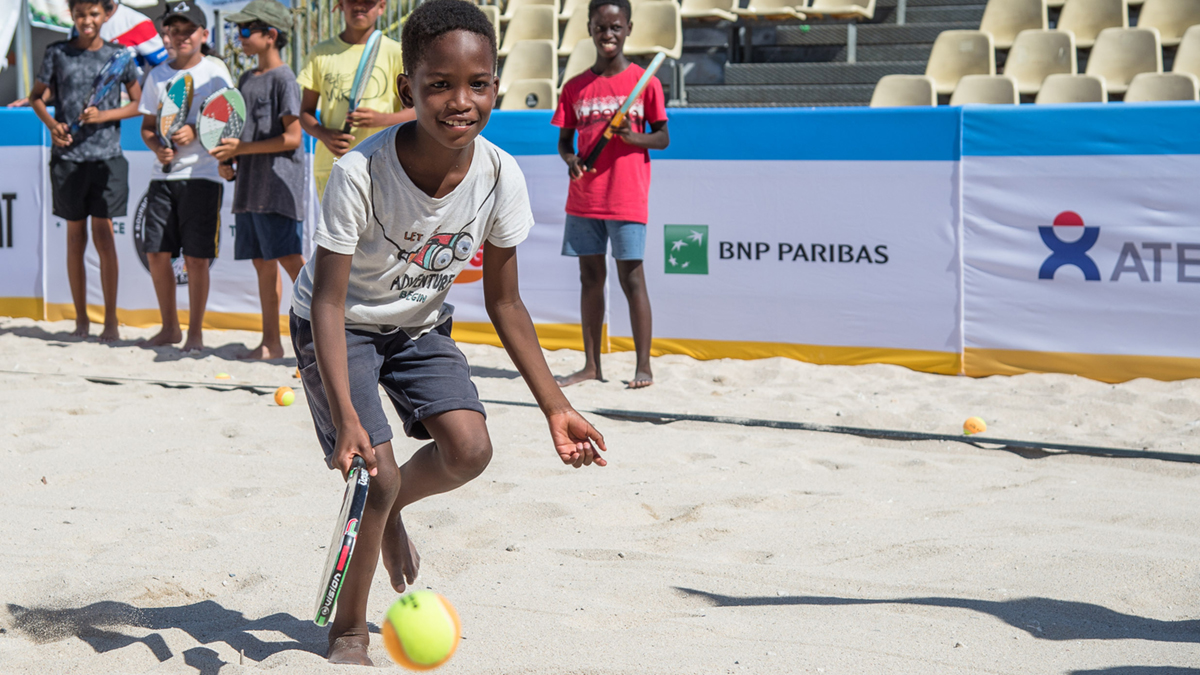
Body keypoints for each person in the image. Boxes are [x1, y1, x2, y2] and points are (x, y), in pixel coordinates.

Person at [288, 0, 607, 664]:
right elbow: (326, 300)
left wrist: (557, 406)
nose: (460, 101)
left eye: (478, 83)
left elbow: (507, 303)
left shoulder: (498, 175)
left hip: (417, 324)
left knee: (469, 450)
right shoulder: (359, 173)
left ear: (495, 83)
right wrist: (347, 415)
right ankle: (348, 629)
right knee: (371, 476)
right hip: (338, 323)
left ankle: (391, 502)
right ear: (409, 90)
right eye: (439, 85)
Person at [552, 0, 669, 390]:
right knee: (589, 278)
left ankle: (643, 367)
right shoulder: (574, 88)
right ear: (589, 29)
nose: (608, 35)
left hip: (626, 196)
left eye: (616, 27)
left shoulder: (645, 82)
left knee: (632, 278)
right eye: (601, 27)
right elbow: (564, 142)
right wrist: (570, 160)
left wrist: (631, 137)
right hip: (584, 197)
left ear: (629, 29)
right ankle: (591, 366)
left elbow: (663, 137)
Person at [29, 0, 143, 341]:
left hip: (107, 157)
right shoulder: (56, 52)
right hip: (68, 158)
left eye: (94, 13)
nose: (87, 20)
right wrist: (52, 125)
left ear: (106, 15)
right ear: (72, 16)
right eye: (80, 14)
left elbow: (138, 104)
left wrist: (103, 116)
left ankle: (110, 321)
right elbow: (37, 97)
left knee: (105, 238)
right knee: (74, 238)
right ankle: (81, 320)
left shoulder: (120, 56)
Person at [210, 0, 306, 361]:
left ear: (271, 35)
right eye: (239, 29)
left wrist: (243, 148)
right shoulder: (247, 79)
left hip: (278, 187)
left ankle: (336, 337)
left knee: (292, 262)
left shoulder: (285, 79)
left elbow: (293, 138)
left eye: (247, 30)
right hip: (249, 185)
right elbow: (239, 131)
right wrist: (229, 159)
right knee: (262, 265)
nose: (240, 36)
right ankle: (272, 343)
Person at [137, 0, 233, 352]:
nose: (179, 37)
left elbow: (230, 118)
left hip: (203, 175)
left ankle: (195, 332)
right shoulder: (157, 75)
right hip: (162, 177)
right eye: (172, 30)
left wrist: (196, 128)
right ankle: (169, 328)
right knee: (157, 254)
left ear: (204, 34)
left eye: (187, 30)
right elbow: (148, 127)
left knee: (196, 257)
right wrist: (155, 146)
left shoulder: (216, 70)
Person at [296, 0, 415, 198]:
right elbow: (305, 113)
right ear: (341, 5)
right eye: (352, 0)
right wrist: (324, 134)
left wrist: (381, 119)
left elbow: (417, 112)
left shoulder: (396, 53)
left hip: (382, 166)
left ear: (381, 7)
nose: (359, 6)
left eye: (368, 1)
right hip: (331, 166)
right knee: (336, 230)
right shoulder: (320, 53)